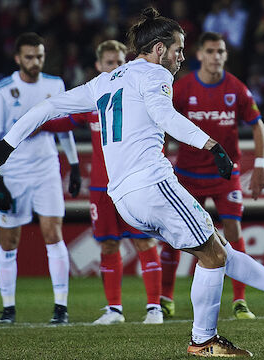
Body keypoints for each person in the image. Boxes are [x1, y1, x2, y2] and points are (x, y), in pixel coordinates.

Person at [0, 8, 264, 357]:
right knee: (212, 255)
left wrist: (7, 142)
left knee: (216, 247)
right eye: (179, 49)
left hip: (125, 198)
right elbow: (165, 115)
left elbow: (49, 107)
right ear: (160, 49)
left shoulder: (105, 80)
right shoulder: (154, 75)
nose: (182, 57)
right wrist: (211, 145)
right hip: (153, 184)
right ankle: (203, 339)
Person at [37, 40, 164, 325]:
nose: (115, 67)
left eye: (120, 62)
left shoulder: (137, 96)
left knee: (145, 241)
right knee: (108, 246)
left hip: (133, 183)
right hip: (100, 188)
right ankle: (114, 310)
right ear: (98, 66)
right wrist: (29, 123)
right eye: (109, 63)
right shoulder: (93, 102)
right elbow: (62, 121)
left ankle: (154, 309)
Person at [159, 31, 264, 320]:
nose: (216, 56)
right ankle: (165, 297)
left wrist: (260, 164)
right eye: (210, 51)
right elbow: (163, 121)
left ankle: (240, 301)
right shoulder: (183, 88)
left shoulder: (237, 89)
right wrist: (160, 156)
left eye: (220, 51)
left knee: (233, 231)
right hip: (187, 174)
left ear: (225, 56)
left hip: (224, 174)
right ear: (200, 55)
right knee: (174, 234)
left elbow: (257, 126)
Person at [0, 32, 81, 324]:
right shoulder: (1, 91)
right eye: (29, 57)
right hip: (12, 172)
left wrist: (74, 164)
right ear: (17, 58)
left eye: (39, 56)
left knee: (54, 235)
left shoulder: (55, 84)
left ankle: (60, 308)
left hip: (46, 169)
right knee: (9, 241)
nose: (35, 62)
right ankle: (9, 308)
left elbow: (64, 129)